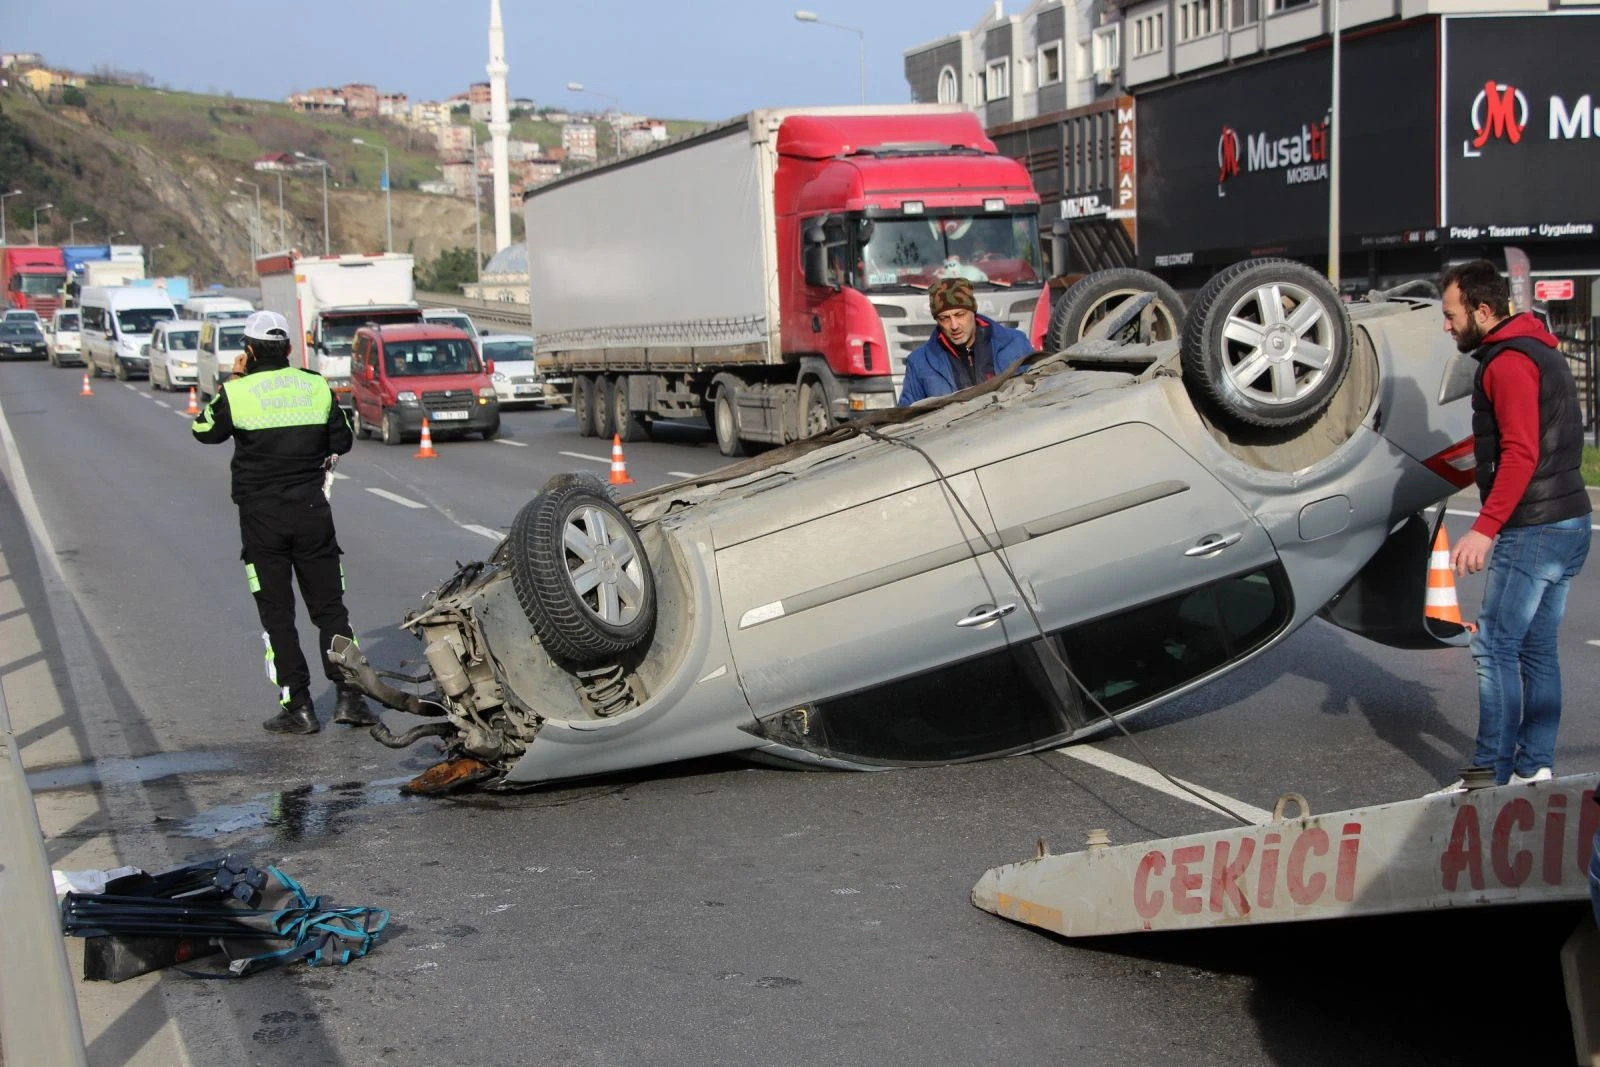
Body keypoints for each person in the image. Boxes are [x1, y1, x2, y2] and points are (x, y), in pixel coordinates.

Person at [1429, 259, 1590, 793]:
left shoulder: (1506, 363)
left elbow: (1521, 452)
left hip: (1535, 528)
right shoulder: (1541, 348)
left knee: (1495, 644)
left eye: (1452, 315)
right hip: (1569, 522)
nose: (1447, 326)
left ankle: (1488, 776)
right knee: (1536, 647)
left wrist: (1485, 527)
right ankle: (1534, 769)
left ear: (1482, 308)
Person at [193, 310, 378, 735]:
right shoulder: (314, 385)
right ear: (290, 349)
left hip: (262, 521)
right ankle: (350, 697)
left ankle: (299, 706)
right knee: (330, 609)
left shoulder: (238, 393)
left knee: (278, 616)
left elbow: (203, 430)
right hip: (313, 513)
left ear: (250, 350)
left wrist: (235, 382)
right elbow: (343, 439)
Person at [897, 278, 1033, 407]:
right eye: (944, 318)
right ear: (937, 321)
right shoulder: (919, 363)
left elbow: (1041, 392)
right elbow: (907, 420)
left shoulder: (1015, 344)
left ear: (973, 311)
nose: (954, 325)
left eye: (960, 315)